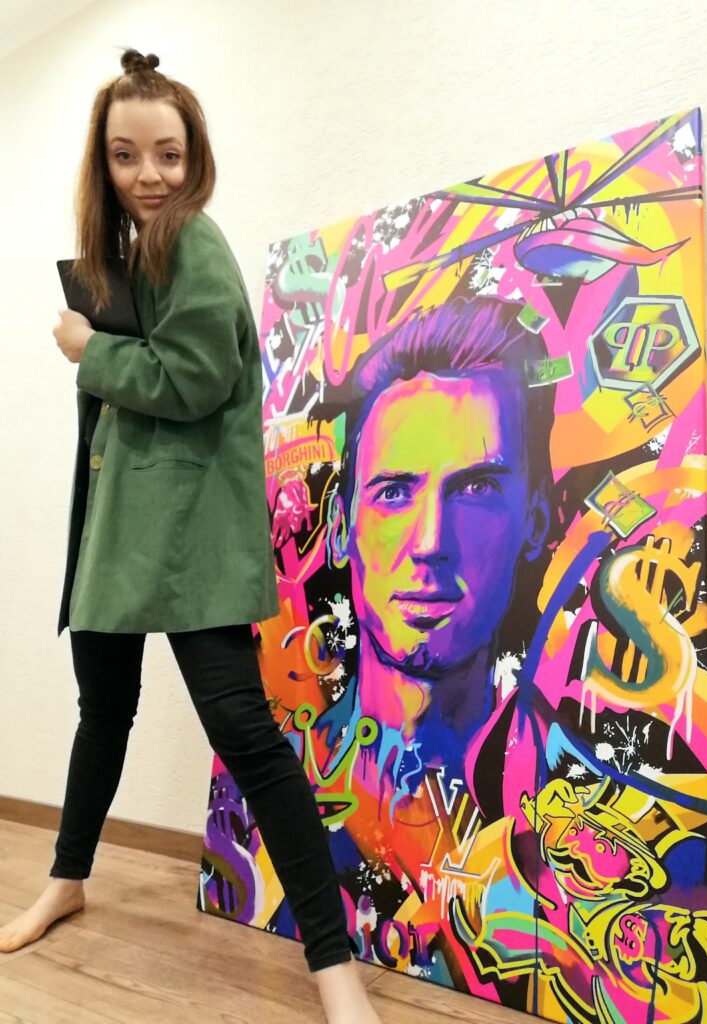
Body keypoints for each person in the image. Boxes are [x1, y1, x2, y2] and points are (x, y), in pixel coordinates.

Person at [0, 49, 380, 1024]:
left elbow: (196, 380)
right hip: (118, 531)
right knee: (102, 713)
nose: (149, 175)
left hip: (184, 536)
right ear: (103, 162)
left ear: (194, 156)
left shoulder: (192, 242)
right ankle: (66, 879)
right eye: (126, 155)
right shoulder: (131, 253)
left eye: (167, 153)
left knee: (246, 734)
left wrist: (89, 350)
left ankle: (334, 968)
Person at [324, 296, 553, 784]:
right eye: (393, 493)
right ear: (341, 528)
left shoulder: (572, 800)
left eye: (476, 489)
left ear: (535, 521)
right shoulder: (286, 763)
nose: (430, 543)